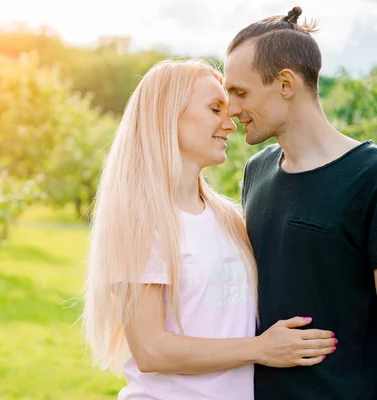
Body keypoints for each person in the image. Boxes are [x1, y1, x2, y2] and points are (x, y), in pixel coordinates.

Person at [82, 58, 336, 400]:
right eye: (215, 108)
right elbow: (151, 351)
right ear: (168, 116)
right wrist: (260, 349)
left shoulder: (228, 218)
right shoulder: (143, 220)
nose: (229, 122)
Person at [224, 6, 377, 400]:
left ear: (286, 84)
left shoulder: (370, 177)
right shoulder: (256, 171)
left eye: (240, 92)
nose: (232, 109)